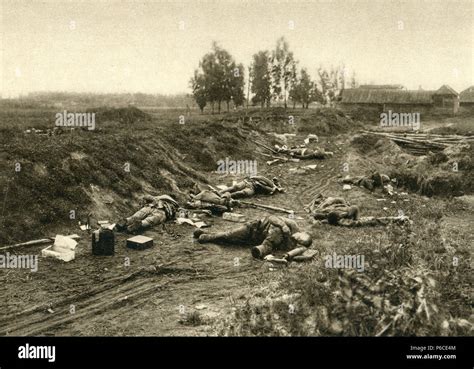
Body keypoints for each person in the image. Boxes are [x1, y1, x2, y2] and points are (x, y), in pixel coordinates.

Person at [193, 215, 312, 260]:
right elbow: (271, 217)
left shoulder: (291, 244)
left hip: (256, 241)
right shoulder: (293, 224)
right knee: (228, 235)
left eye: (300, 241)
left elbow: (279, 248)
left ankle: (259, 250)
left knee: (230, 242)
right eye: (301, 237)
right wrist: (283, 225)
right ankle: (205, 235)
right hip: (254, 228)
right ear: (303, 232)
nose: (297, 238)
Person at [116, 194, 180, 233]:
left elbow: (147, 196)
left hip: (149, 206)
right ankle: (139, 224)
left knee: (136, 216)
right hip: (161, 211)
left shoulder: (158, 197)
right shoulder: (172, 202)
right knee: (149, 221)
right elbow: (177, 211)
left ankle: (126, 221)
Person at [218, 176, 283, 199]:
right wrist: (251, 178)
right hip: (249, 182)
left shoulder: (271, 188)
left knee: (242, 193)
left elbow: (269, 190)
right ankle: (219, 193)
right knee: (236, 186)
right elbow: (260, 177)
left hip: (253, 189)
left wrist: (275, 188)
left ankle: (225, 196)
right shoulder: (269, 183)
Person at [327, 212, 411, 227]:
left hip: (361, 221)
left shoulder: (340, 221)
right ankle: (400, 220)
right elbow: (353, 224)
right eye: (338, 215)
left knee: (380, 219)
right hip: (362, 222)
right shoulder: (342, 222)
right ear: (337, 218)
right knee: (380, 220)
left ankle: (399, 219)